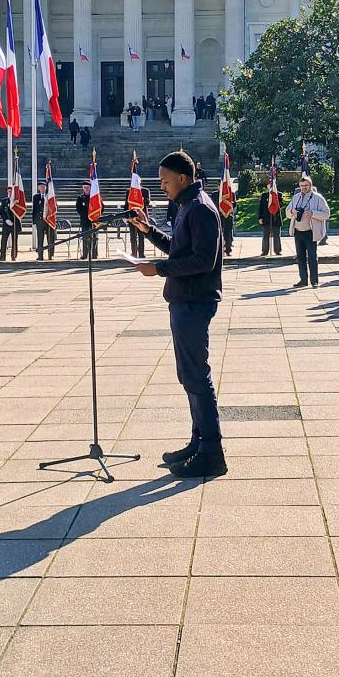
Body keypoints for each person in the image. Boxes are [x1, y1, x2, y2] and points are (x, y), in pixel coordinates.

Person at [129, 150, 226, 478]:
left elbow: (203, 261)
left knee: (197, 375)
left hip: (195, 301)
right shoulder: (187, 205)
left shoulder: (200, 209)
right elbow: (180, 249)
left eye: (165, 181)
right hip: (184, 299)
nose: (162, 187)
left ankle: (212, 452)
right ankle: (198, 442)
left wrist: (157, 269)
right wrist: (149, 232)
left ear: (182, 178)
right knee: (189, 375)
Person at [286, 176, 330, 288]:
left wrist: (313, 213)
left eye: (306, 185)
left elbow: (326, 214)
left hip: (311, 232)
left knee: (312, 257)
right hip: (298, 231)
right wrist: (292, 211)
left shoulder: (318, 198)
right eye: (301, 186)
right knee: (300, 257)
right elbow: (287, 212)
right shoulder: (296, 197)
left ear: (310, 185)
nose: (303, 188)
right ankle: (303, 280)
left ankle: (314, 281)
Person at [76, 182, 103, 260]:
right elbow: (78, 209)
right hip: (85, 220)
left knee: (95, 237)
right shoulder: (80, 197)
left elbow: (101, 206)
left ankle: (94, 254)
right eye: (84, 187)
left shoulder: (95, 196)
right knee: (85, 237)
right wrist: (87, 216)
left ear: (91, 188)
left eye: (87, 187)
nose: (86, 189)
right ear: (83, 188)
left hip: (94, 220)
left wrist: (96, 215)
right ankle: (85, 254)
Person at [124, 183, 151, 258]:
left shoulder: (145, 191)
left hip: (141, 217)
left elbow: (147, 202)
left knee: (141, 236)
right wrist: (127, 217)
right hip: (131, 217)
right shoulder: (129, 191)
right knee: (133, 236)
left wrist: (140, 199)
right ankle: (134, 253)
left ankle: (141, 254)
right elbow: (126, 205)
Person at [32, 181, 55, 261]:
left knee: (50, 239)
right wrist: (34, 221)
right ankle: (40, 255)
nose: (42, 188)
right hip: (40, 221)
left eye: (43, 187)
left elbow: (55, 208)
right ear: (38, 188)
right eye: (40, 187)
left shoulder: (51, 196)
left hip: (49, 221)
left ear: (46, 187)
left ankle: (50, 255)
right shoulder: (36, 197)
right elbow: (34, 209)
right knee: (40, 239)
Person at [258, 184, 282, 256]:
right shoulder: (264, 195)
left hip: (275, 218)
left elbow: (280, 205)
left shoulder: (279, 195)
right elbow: (260, 207)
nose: (270, 187)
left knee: (276, 236)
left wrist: (274, 198)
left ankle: (277, 250)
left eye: (272, 185)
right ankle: (265, 251)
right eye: (269, 185)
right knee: (265, 236)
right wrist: (260, 217)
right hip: (266, 218)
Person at [0, 187, 21, 261]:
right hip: (6, 224)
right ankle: (2, 256)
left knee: (14, 241)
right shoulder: (5, 200)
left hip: (15, 223)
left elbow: (20, 211)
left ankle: (13, 256)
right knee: (3, 240)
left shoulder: (17, 201)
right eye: (8, 192)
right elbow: (1, 211)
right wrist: (6, 219)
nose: (10, 193)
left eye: (11, 192)